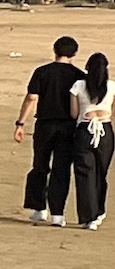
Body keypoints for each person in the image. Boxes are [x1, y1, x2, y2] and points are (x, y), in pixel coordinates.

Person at [15, 33, 84, 224]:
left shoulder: (42, 72)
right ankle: (58, 214)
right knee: (61, 168)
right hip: (68, 126)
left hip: (45, 124)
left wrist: (20, 123)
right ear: (74, 53)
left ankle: (39, 208)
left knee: (40, 165)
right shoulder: (79, 76)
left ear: (55, 51)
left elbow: (31, 98)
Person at [68, 50, 115, 229]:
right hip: (105, 131)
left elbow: (74, 114)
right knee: (101, 173)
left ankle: (89, 216)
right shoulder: (113, 86)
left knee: (84, 174)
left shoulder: (78, 85)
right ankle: (98, 212)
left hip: (84, 130)